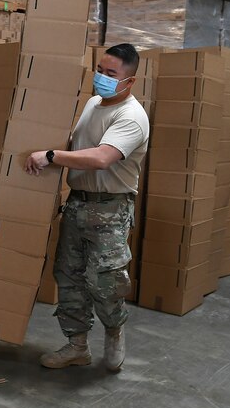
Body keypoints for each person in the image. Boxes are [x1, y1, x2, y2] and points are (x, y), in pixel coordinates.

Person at [25, 43, 149, 373]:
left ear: (130, 81)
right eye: (100, 70)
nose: (102, 78)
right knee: (69, 278)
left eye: (111, 74)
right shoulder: (93, 103)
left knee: (105, 282)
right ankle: (77, 345)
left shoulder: (132, 117)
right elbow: (75, 145)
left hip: (110, 209)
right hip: (77, 204)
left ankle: (114, 330)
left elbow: (100, 158)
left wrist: (50, 156)